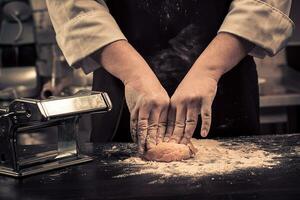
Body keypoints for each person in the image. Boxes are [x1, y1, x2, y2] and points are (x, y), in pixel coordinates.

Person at [46, 0, 294, 154]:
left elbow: (262, 5)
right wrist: (135, 76)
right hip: (123, 95)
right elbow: (74, 6)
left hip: (227, 89)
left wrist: (208, 71)